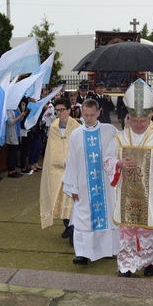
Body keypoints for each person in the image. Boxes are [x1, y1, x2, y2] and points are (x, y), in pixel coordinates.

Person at [105, 79, 153, 277]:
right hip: (129, 195)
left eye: (143, 121)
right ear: (128, 117)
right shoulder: (120, 138)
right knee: (129, 232)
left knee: (152, 230)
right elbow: (107, 160)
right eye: (134, 121)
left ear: (151, 115)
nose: (139, 125)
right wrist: (118, 164)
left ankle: (150, 262)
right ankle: (127, 264)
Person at [62, 98, 119, 265]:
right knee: (83, 218)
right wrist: (72, 185)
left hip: (105, 185)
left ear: (98, 113)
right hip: (84, 185)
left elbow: (121, 149)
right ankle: (82, 254)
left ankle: (108, 250)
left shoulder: (110, 131)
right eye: (85, 115)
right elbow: (71, 161)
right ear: (81, 114)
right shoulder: (76, 135)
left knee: (107, 216)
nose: (89, 118)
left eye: (92, 115)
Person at [39, 98, 81, 232]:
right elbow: (51, 149)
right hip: (56, 168)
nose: (59, 113)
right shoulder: (54, 127)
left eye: (62, 110)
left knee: (71, 199)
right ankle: (67, 225)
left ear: (69, 110)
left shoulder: (77, 128)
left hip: (72, 168)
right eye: (57, 110)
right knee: (58, 195)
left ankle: (73, 227)